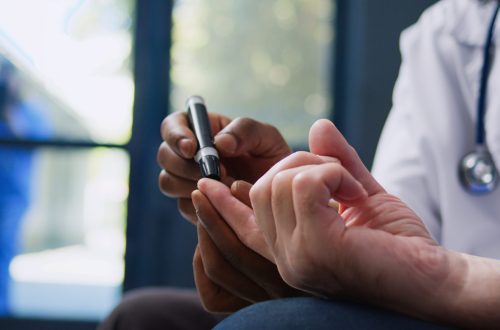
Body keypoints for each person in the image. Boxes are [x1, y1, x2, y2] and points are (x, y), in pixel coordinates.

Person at [100, 0, 500, 328]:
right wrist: (303, 222)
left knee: (270, 326)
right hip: (431, 302)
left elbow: (419, 271)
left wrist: (450, 281)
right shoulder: (448, 30)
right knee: (141, 319)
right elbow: (398, 235)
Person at [0, 58, 51, 314]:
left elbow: (33, 142)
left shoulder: (30, 112)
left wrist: (9, 111)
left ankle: (3, 311)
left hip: (12, 197)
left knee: (3, 252)